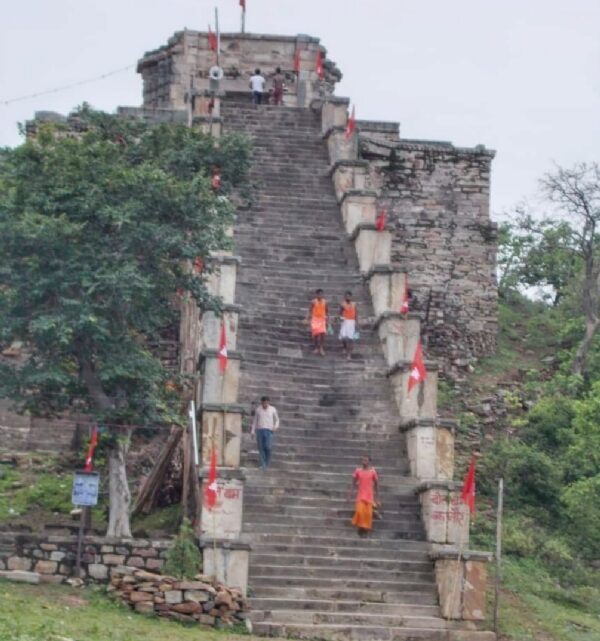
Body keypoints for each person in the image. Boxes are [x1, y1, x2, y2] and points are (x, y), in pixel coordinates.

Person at [351, 456, 379, 537]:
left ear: (369, 462)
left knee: (368, 514)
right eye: (363, 460)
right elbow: (353, 482)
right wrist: (351, 493)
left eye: (366, 460)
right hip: (360, 496)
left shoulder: (373, 472)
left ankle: (364, 529)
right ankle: (361, 527)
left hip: (369, 496)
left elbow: (377, 484)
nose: (364, 462)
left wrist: (377, 497)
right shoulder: (357, 471)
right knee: (359, 511)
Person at [251, 396, 280, 469]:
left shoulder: (272, 409)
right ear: (261, 402)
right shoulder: (258, 410)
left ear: (268, 402)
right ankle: (263, 464)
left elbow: (277, 420)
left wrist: (275, 427)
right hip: (260, 430)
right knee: (261, 448)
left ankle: (266, 462)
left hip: (269, 430)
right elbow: (255, 421)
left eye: (266, 403)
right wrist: (252, 431)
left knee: (268, 447)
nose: (265, 404)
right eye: (263, 403)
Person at [307, 289, 329, 356]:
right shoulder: (313, 302)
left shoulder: (325, 302)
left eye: (321, 294)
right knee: (315, 335)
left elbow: (327, 311)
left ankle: (321, 348)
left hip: (322, 319)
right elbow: (310, 310)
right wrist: (308, 318)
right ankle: (316, 347)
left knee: (322, 334)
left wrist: (327, 319)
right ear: (316, 295)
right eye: (319, 294)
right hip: (315, 319)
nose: (320, 295)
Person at [339, 290, 358, 360]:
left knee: (351, 339)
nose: (347, 297)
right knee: (343, 338)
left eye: (349, 296)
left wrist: (357, 323)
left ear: (351, 297)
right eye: (346, 296)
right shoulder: (342, 304)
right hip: (345, 322)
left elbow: (356, 314)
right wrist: (341, 318)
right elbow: (340, 313)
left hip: (352, 322)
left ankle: (349, 355)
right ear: (344, 297)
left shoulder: (354, 304)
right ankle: (344, 347)